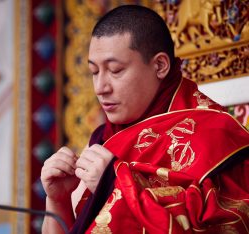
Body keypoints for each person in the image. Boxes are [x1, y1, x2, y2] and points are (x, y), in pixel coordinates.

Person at [41, 5, 249, 234]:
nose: (100, 88)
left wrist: (115, 187)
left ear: (159, 65)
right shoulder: (103, 140)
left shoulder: (214, 137)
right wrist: (57, 201)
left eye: (115, 70)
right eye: (94, 72)